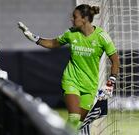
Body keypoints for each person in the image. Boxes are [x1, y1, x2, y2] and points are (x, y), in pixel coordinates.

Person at [18, 4, 120, 132]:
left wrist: (110, 83)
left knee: (78, 124)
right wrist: (34, 38)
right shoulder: (71, 33)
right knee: (74, 117)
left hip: (90, 86)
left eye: (74, 16)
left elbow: (115, 60)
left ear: (84, 19)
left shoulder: (102, 37)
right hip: (71, 80)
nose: (72, 19)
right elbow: (53, 43)